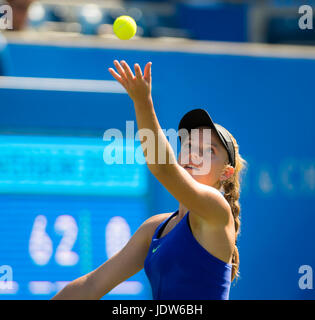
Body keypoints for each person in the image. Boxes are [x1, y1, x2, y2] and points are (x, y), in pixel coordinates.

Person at [52, 60, 246, 300]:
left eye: (209, 151)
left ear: (226, 173)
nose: (193, 154)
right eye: (188, 145)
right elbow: (92, 285)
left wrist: (142, 101)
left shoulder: (216, 209)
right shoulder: (154, 228)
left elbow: (163, 168)